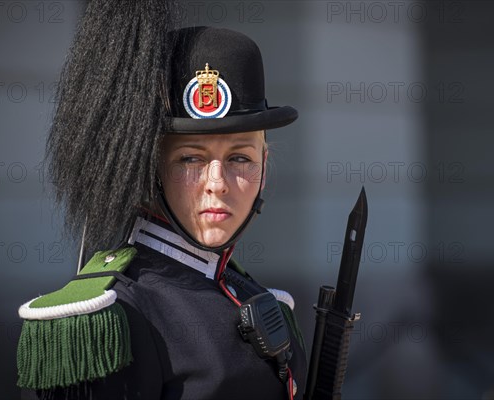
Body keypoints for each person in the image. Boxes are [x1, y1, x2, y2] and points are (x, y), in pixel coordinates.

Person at [16, 1, 306, 399]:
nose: (217, 183)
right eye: (190, 159)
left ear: (265, 167)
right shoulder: (111, 318)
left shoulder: (254, 294)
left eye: (240, 158)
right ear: (150, 169)